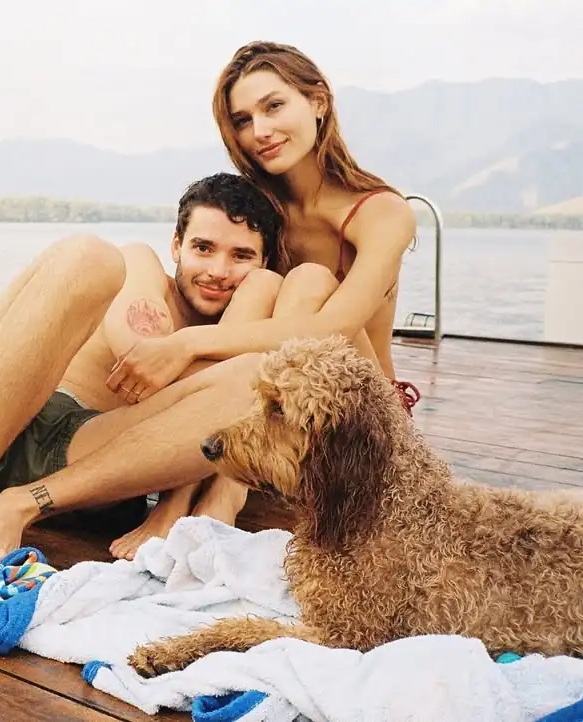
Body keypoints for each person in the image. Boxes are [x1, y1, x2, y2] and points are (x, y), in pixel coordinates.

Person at [104, 40, 424, 551]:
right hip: (282, 411)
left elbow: (334, 328)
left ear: (318, 102)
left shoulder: (383, 213)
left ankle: (225, 490)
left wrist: (186, 344)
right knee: (259, 282)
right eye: (243, 119)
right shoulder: (264, 209)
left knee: (311, 280)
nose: (260, 131)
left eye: (274, 106)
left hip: (360, 410)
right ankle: (178, 497)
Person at [0, 172, 288, 572]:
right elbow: (139, 349)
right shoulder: (144, 266)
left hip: (73, 459)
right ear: (177, 245)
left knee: (256, 382)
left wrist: (246, 313)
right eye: (203, 248)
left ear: (263, 263)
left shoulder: (236, 338)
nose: (218, 270)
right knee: (90, 257)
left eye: (241, 256)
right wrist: (243, 324)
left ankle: (19, 505)